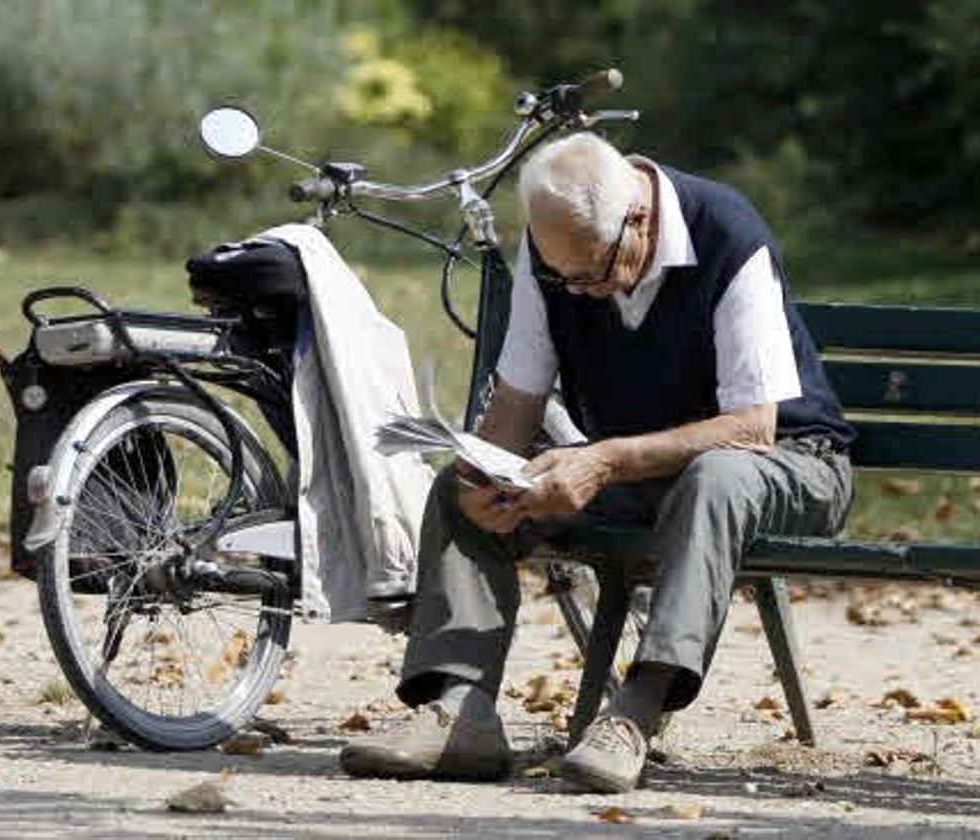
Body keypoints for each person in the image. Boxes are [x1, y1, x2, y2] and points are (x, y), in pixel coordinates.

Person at [339, 132, 855, 793]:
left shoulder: (727, 233)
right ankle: (458, 712)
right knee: (455, 490)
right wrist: (487, 474)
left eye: (593, 272)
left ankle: (636, 716)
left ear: (637, 218)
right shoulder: (554, 253)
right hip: (647, 473)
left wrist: (602, 462)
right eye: (565, 277)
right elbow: (519, 404)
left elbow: (753, 429)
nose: (580, 292)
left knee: (716, 475)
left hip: (790, 463)